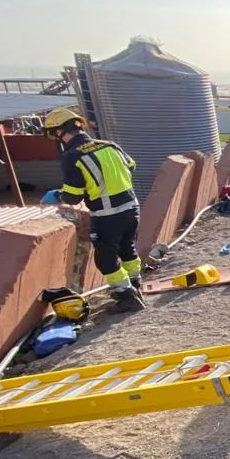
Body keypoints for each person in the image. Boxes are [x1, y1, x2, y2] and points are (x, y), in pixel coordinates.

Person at [41, 108, 145, 312]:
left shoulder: (72, 156)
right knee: (127, 248)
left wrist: (59, 195)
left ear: (60, 131)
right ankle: (135, 285)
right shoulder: (109, 145)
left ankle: (126, 296)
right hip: (131, 208)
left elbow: (73, 196)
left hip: (106, 215)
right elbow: (131, 166)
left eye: (53, 134)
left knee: (105, 259)